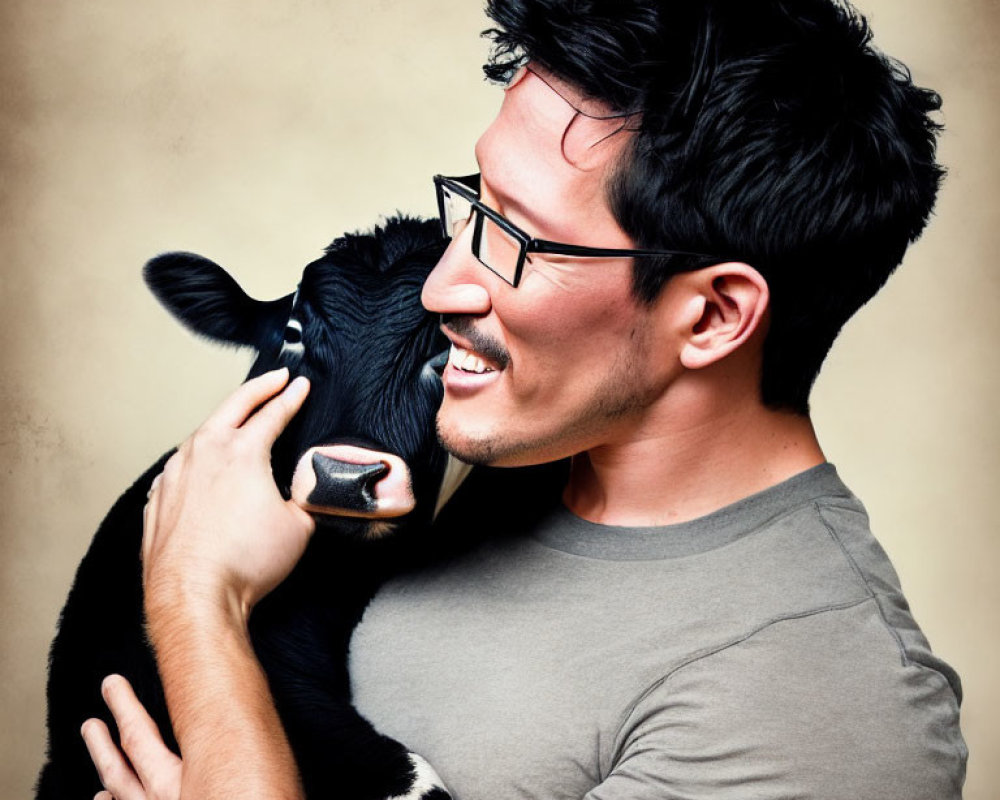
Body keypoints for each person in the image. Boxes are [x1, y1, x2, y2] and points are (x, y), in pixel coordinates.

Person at [81, 0, 967, 798]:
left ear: (712, 316)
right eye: (473, 206)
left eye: (516, 238)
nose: (442, 288)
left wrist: (198, 599)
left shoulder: (822, 704)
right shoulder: (506, 448)